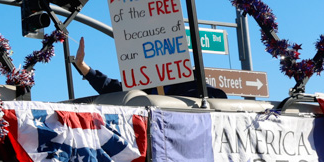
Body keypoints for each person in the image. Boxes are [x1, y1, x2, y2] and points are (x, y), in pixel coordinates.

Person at [71, 37, 227, 98]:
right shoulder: (144, 82)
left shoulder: (189, 77)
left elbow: (216, 97)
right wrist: (82, 66)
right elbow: (112, 89)